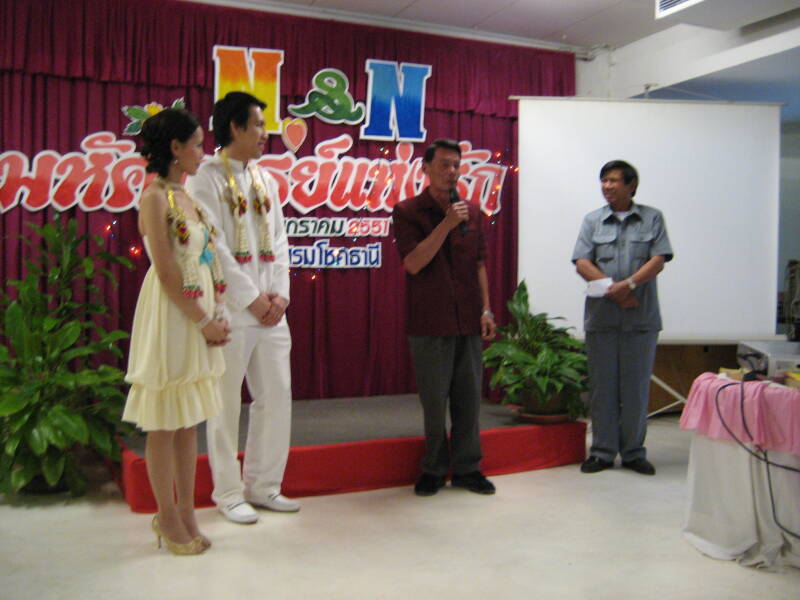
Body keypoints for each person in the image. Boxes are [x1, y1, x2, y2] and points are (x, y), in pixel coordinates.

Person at [185, 92, 297, 524]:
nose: (266, 133)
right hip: (231, 311)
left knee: (276, 397)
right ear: (234, 127)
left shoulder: (265, 179)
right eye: (258, 125)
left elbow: (281, 241)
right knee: (225, 403)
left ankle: (265, 485)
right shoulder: (205, 178)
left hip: (272, 311)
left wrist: (280, 295)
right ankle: (229, 493)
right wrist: (251, 298)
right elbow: (212, 247)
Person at [123, 107, 231, 555]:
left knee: (188, 422)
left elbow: (207, 259)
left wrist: (217, 310)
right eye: (197, 145)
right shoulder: (153, 198)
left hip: (198, 311)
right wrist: (204, 321)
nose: (203, 153)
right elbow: (168, 273)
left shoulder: (187, 197)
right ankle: (166, 516)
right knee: (164, 422)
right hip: (173, 314)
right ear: (174, 147)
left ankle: (186, 511)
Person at [392, 138, 498, 496]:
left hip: (468, 318)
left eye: (456, 165)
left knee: (469, 400)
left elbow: (479, 265)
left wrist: (486, 308)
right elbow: (413, 263)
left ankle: (468, 468)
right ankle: (433, 470)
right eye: (443, 165)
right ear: (425, 168)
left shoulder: (473, 212)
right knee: (435, 403)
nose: (451, 172)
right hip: (430, 321)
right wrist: (446, 225)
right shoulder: (408, 211)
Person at [571, 160, 673, 476]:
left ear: (631, 185)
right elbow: (582, 262)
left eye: (613, 180)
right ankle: (601, 452)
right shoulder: (592, 220)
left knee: (635, 390)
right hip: (602, 319)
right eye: (603, 180)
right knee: (602, 388)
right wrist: (614, 291)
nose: (607, 186)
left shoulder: (652, 218)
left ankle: (633, 453)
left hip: (640, 320)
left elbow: (658, 260)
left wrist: (628, 285)